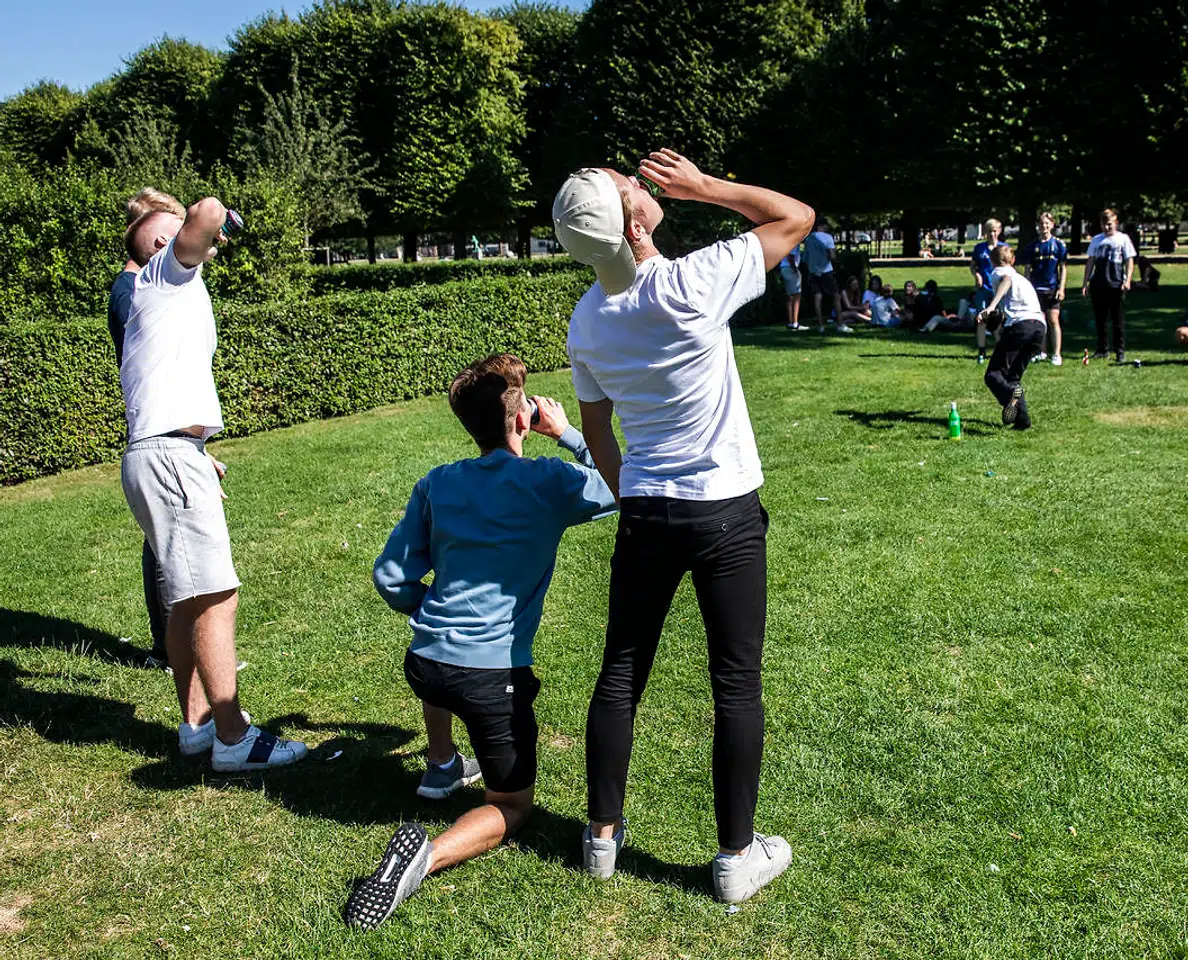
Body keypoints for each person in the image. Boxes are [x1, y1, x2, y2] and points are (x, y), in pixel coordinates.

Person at [555, 149, 811, 903]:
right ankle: (736, 857)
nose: (644, 182)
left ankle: (601, 837)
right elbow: (795, 217)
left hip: (648, 511)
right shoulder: (695, 280)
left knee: (621, 672)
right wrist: (705, 189)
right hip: (724, 508)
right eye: (633, 187)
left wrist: (626, 491)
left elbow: (598, 432)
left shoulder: (587, 318)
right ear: (635, 221)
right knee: (735, 683)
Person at [344, 355, 615, 931]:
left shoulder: (438, 483)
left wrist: (430, 614)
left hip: (426, 661)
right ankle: (425, 858)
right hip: (493, 676)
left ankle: (442, 762)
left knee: (444, 660)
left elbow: (389, 575)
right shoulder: (548, 482)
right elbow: (620, 482)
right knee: (512, 806)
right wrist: (567, 434)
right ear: (523, 419)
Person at [119, 197, 309, 771]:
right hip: (170, 456)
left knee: (184, 597)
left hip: (164, 452)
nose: (191, 241)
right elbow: (206, 210)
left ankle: (197, 727)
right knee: (215, 595)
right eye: (174, 236)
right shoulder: (163, 275)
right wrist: (217, 221)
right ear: (158, 245)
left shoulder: (159, 296)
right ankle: (233, 737)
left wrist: (197, 452)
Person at [109, 188, 186, 669]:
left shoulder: (136, 289)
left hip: (167, 430)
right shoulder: (132, 295)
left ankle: (173, 644)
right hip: (161, 432)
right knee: (165, 541)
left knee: (164, 538)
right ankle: (172, 647)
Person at [976, 245, 1045, 430]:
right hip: (1039, 327)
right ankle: (1022, 421)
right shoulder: (1022, 279)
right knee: (1013, 377)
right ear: (1013, 260)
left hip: (1020, 325)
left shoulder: (999, 272)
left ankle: (1010, 397)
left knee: (993, 375)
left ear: (992, 261)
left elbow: (1006, 280)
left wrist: (990, 307)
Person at [1082, 208, 1136, 362]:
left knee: (1117, 320)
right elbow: (1090, 261)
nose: (1107, 227)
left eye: (1110, 224)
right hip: (1099, 283)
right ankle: (1102, 349)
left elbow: (1129, 260)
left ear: (1116, 223)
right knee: (1100, 319)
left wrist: (1128, 280)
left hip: (1116, 283)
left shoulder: (1123, 239)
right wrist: (1085, 282)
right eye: (1104, 224)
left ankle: (1120, 351)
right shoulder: (1096, 240)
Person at [1021, 211, 1067, 366]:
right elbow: (1027, 270)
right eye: (1041, 224)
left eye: (1047, 223)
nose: (1044, 226)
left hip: (1053, 288)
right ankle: (1042, 351)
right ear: (1038, 226)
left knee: (1053, 319)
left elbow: (1063, 268)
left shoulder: (1058, 245)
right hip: (1036, 289)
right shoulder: (1031, 246)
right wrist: (1027, 289)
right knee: (1040, 322)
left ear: (1052, 225)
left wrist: (1061, 288)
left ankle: (1057, 353)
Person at [969, 218, 1008, 361]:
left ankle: (1001, 350)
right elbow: (973, 265)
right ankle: (981, 350)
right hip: (983, 288)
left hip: (998, 290)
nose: (992, 234)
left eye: (994, 231)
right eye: (989, 231)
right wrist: (977, 275)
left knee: (998, 320)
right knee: (981, 319)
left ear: (999, 231)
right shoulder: (979, 248)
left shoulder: (1003, 247)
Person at [803, 218, 838, 330]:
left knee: (817, 297)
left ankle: (820, 325)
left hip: (813, 271)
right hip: (826, 270)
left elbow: (805, 258)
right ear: (821, 226)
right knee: (836, 296)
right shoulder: (828, 238)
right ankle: (840, 323)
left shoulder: (808, 239)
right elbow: (832, 255)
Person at [779, 243, 806, 330]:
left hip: (784, 268)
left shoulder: (787, 241)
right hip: (790, 269)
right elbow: (791, 257)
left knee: (790, 296)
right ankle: (795, 323)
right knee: (797, 295)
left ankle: (791, 322)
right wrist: (795, 269)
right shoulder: (794, 243)